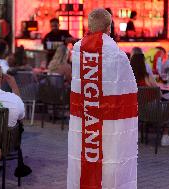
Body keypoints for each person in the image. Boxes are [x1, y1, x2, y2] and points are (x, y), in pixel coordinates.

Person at [68, 8, 138, 188]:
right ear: (109, 28)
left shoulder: (77, 50)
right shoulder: (117, 53)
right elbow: (128, 86)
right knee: (109, 158)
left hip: (85, 116)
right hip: (108, 119)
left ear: (89, 26)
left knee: (82, 158)